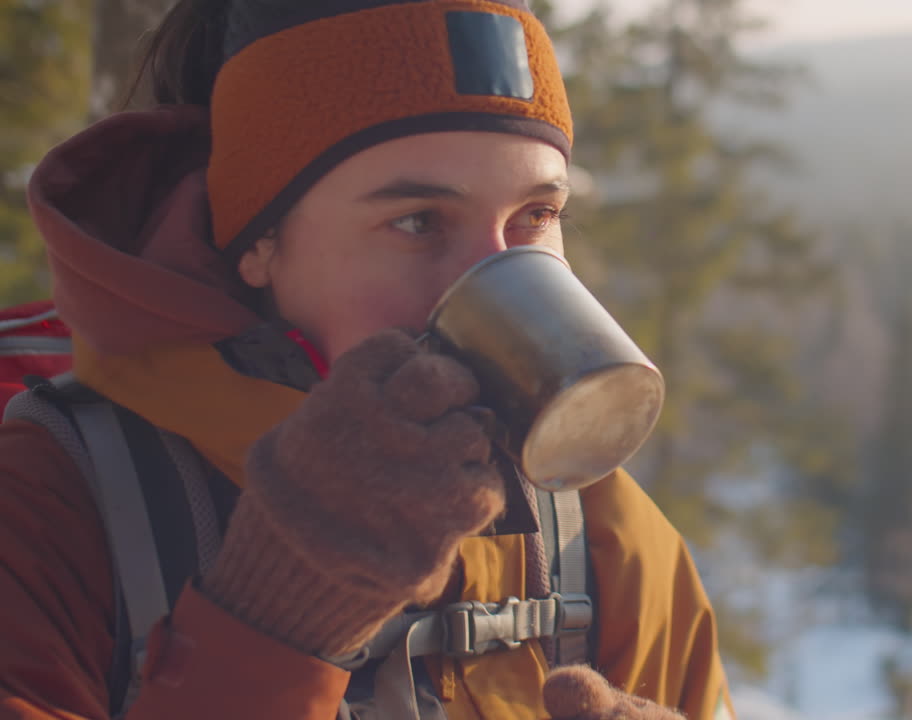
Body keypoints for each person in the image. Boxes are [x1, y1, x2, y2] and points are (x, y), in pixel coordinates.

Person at [0, 0, 735, 718]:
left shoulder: (596, 533)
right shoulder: (56, 499)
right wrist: (276, 617)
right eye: (417, 222)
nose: (493, 274)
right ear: (259, 243)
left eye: (536, 216)